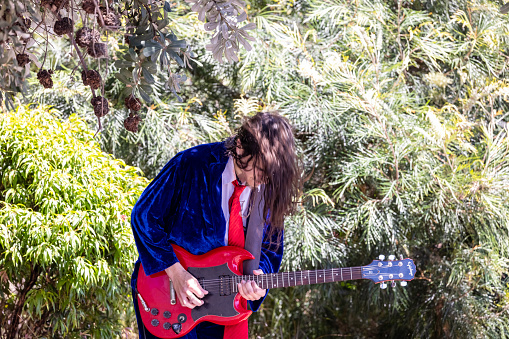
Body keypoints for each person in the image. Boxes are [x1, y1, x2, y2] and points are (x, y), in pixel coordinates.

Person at [130, 112, 300, 339]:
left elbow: (271, 250)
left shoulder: (269, 189)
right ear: (240, 146)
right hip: (167, 293)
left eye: (273, 173)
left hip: (227, 305)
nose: (266, 179)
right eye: (262, 169)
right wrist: (176, 272)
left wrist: (260, 278)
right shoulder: (192, 163)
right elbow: (144, 216)